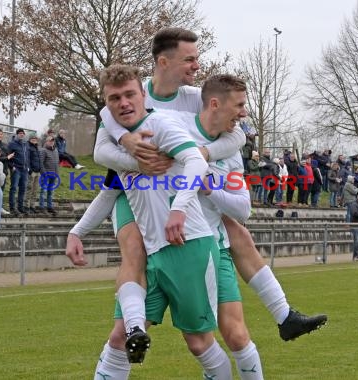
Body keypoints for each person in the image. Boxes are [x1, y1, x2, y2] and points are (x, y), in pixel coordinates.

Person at [68, 27, 326, 366]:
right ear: (163, 61)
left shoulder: (194, 97)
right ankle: (134, 327)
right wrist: (133, 152)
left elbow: (235, 138)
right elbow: (103, 140)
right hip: (134, 191)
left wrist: (198, 154)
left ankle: (283, 315)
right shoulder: (132, 95)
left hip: (181, 207)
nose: (196, 66)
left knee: (236, 232)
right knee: (133, 249)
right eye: (189, 59)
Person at [95, 64, 230, 378]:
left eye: (130, 94)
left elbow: (196, 161)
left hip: (188, 243)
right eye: (115, 98)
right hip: (153, 251)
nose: (124, 102)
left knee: (198, 342)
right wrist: (77, 232)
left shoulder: (161, 124)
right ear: (106, 102)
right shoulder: (113, 139)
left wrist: (180, 208)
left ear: (143, 94)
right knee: (120, 337)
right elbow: (107, 189)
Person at [8, 128, 30, 215]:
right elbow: (8, 156)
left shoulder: (25, 144)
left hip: (24, 169)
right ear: (17, 134)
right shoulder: (12, 144)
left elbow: (27, 157)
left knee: (23, 189)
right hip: (16, 169)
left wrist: (27, 166)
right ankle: (12, 208)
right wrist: (11, 166)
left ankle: (20, 207)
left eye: (22, 133)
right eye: (20, 133)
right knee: (13, 188)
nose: (21, 134)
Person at [39, 135, 59, 215]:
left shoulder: (56, 150)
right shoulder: (43, 150)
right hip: (46, 174)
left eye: (53, 141)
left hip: (54, 175)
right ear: (46, 142)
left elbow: (57, 163)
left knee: (51, 192)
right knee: (43, 191)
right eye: (50, 141)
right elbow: (41, 163)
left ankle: (50, 207)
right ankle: (42, 207)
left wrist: (57, 174)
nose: (51, 142)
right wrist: (44, 173)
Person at [25, 133, 41, 214]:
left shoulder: (37, 147)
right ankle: (27, 206)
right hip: (32, 172)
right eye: (32, 139)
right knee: (29, 189)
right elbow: (27, 159)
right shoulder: (28, 147)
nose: (34, 140)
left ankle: (32, 206)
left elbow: (39, 159)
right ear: (30, 139)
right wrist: (29, 170)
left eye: (35, 139)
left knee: (35, 190)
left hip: (38, 172)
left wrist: (40, 168)